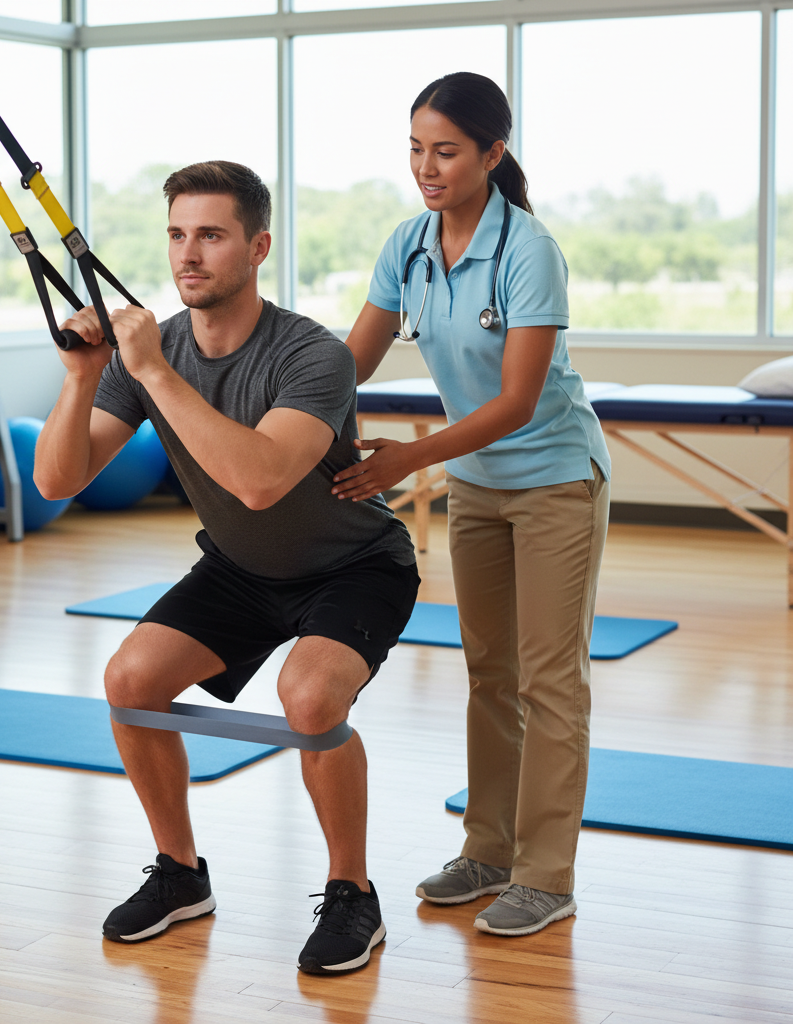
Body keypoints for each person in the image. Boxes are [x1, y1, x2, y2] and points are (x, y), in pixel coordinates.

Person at [34, 160, 419, 974]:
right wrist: (79, 378)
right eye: (177, 234)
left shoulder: (311, 355)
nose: (188, 255)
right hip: (243, 569)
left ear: (258, 246)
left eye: (211, 235)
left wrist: (154, 374)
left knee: (310, 698)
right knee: (131, 683)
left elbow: (259, 479)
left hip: (353, 565)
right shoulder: (155, 353)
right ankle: (180, 874)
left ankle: (353, 893)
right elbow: (56, 482)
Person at [333, 73, 611, 938]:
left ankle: (545, 874)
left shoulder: (528, 249)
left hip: (556, 479)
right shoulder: (408, 244)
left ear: (493, 153)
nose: (426, 166)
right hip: (480, 487)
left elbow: (518, 403)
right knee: (489, 674)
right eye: (416, 149)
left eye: (446, 151)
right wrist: (283, 407)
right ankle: (487, 851)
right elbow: (351, 362)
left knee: (549, 679)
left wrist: (411, 460)